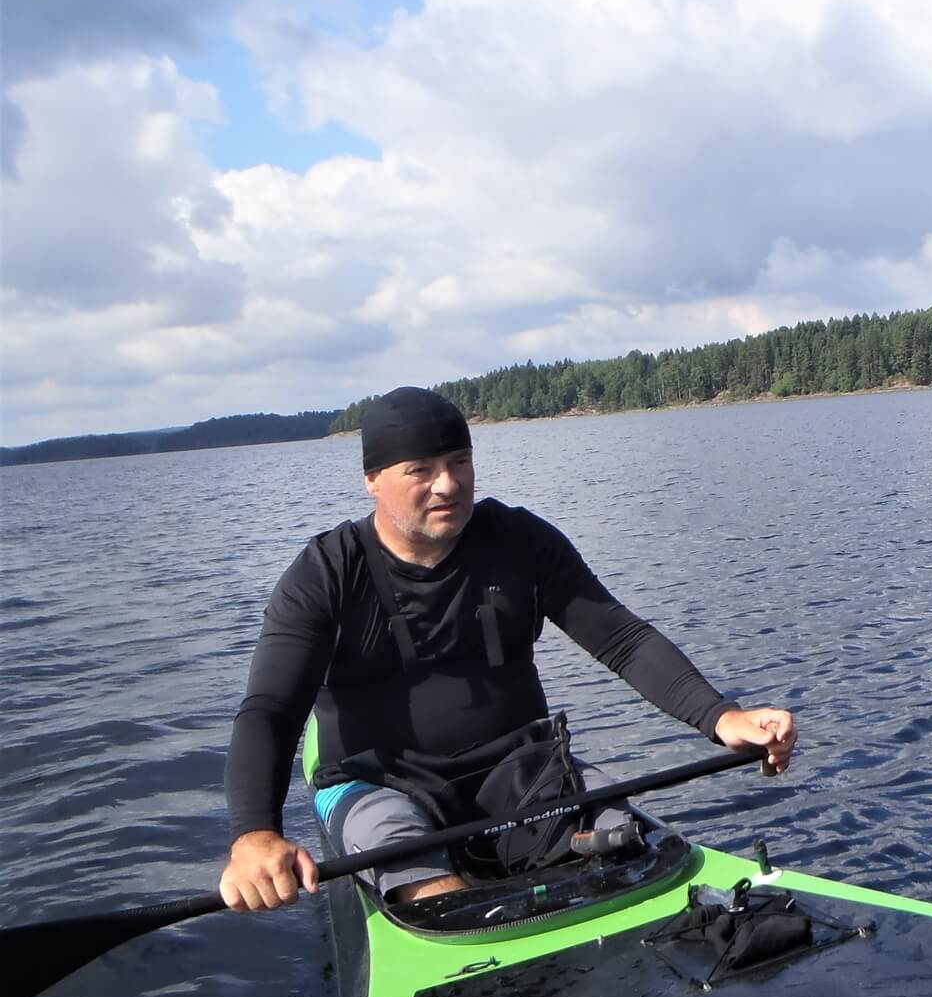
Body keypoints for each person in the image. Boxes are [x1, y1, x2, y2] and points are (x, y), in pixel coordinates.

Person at [219, 386, 796, 912]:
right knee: (432, 890)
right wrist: (255, 834)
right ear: (373, 479)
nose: (447, 485)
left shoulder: (519, 540)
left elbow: (622, 639)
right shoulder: (325, 574)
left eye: (459, 462)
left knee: (628, 843)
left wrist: (721, 717)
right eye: (420, 470)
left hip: (520, 768)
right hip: (378, 785)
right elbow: (271, 709)